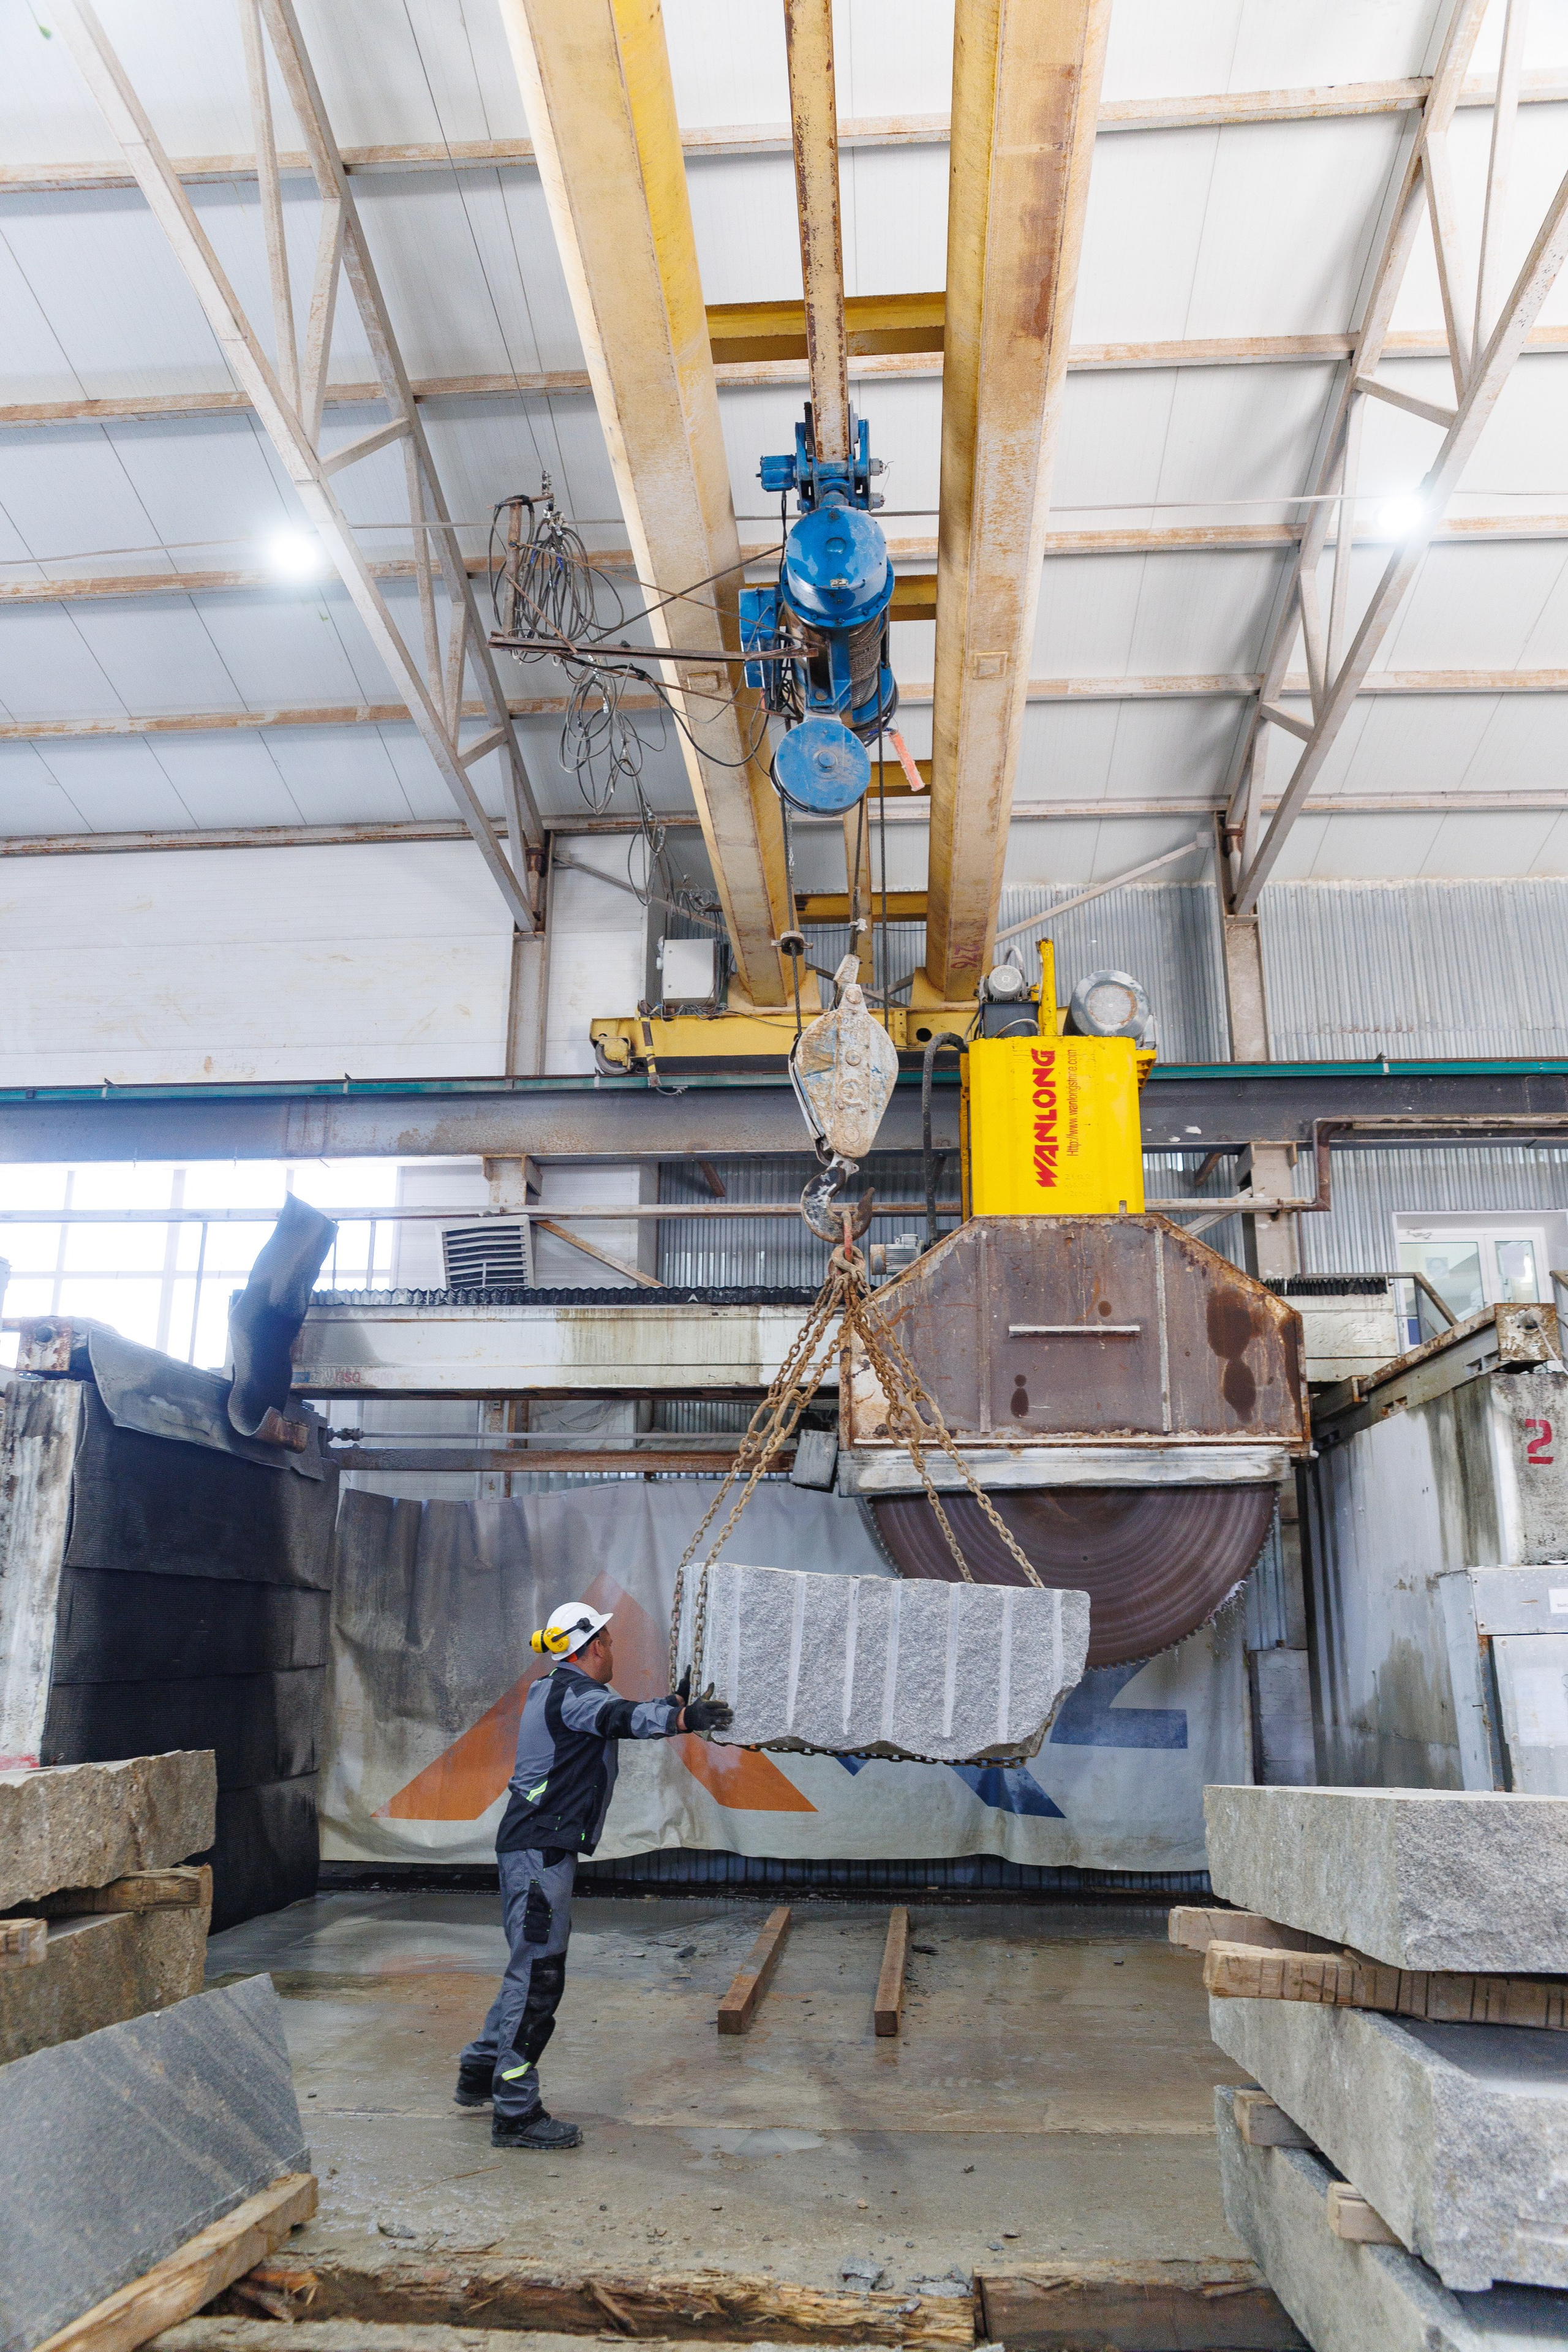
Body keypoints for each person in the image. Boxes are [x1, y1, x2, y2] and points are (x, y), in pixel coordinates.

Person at [455, 1600, 732, 2149]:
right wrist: (681, 1719)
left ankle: (481, 2070)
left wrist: (672, 1706)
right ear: (591, 1647)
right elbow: (615, 1718)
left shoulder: (559, 1690)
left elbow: (609, 1712)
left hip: (535, 1850)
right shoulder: (572, 1694)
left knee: (527, 1967)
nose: (614, 1648)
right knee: (538, 1978)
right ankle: (516, 2113)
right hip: (539, 1855)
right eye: (608, 1640)